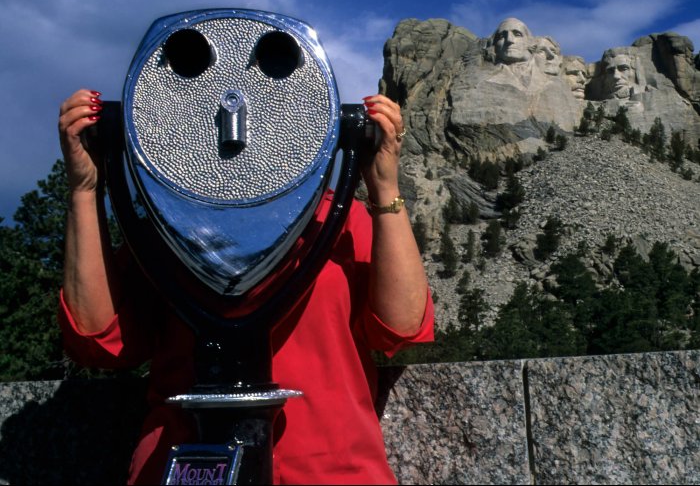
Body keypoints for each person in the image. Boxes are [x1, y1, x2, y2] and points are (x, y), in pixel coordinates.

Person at [57, 89, 434, 484]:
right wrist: (84, 191)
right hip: (186, 465)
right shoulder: (173, 226)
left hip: (330, 470)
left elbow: (402, 327)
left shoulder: (340, 220)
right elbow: (97, 338)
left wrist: (384, 189)